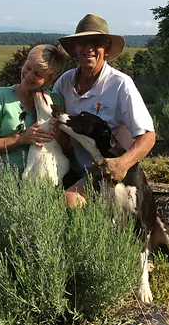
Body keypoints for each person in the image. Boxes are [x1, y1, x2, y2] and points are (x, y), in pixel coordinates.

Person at [50, 14, 156, 208]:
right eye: (82, 41)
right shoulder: (64, 82)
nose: (89, 48)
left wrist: (122, 164)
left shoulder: (120, 84)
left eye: (96, 42)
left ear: (106, 49)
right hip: (71, 167)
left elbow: (148, 136)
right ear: (74, 48)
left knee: (70, 200)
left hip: (106, 172)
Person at [0, 44, 69, 208]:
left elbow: (68, 149)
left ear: (50, 79)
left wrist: (60, 136)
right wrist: (21, 138)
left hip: (42, 186)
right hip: (1, 184)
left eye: (38, 74)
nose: (29, 76)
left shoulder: (56, 102)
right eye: (28, 67)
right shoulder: (1, 97)